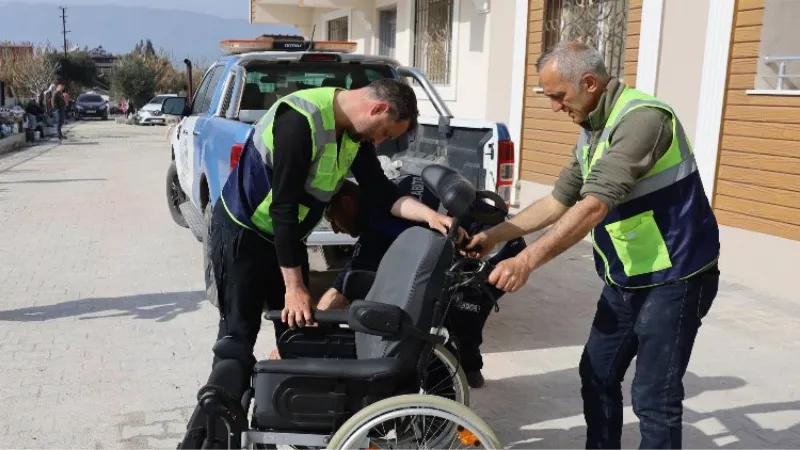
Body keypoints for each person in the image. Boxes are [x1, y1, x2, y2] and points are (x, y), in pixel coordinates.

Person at [177, 79, 462, 450]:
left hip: (287, 237)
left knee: (298, 329)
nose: (379, 142)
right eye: (386, 133)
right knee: (238, 336)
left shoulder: (353, 136)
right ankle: (215, 431)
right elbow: (282, 209)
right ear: (378, 109)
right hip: (244, 237)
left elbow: (381, 192)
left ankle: (292, 420)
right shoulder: (299, 120)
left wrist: (430, 217)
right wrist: (294, 287)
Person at [465, 41, 721, 450]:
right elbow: (557, 201)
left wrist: (527, 261)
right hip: (626, 276)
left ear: (588, 83)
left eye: (558, 96)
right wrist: (495, 236)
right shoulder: (592, 130)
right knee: (597, 375)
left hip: (676, 277)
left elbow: (592, 207)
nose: (554, 107)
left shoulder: (643, 120)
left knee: (654, 398)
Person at [307, 175, 526, 388]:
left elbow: (343, 289)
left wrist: (310, 328)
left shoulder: (380, 221)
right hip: (483, 235)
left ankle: (460, 380)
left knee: (453, 312)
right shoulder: (385, 197)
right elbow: (346, 280)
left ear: (347, 203)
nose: (335, 229)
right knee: (443, 305)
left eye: (332, 219)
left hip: (499, 248)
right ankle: (465, 372)